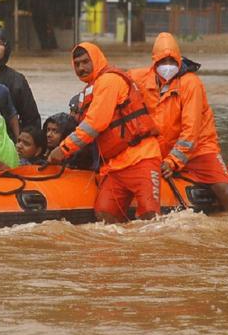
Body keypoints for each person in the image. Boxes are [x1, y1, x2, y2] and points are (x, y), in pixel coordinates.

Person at [47, 42, 161, 224]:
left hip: (141, 158)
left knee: (150, 215)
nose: (81, 68)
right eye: (76, 64)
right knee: (105, 215)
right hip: (115, 165)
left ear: (97, 59)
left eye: (85, 62)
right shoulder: (89, 91)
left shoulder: (109, 81)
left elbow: (94, 124)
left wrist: (63, 149)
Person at [130, 32, 228, 211]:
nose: (167, 66)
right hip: (160, 147)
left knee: (224, 190)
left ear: (179, 60)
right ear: (154, 61)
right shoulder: (142, 78)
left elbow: (191, 131)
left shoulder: (191, 84)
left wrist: (173, 161)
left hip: (199, 149)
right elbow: (116, 80)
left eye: (171, 61)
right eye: (162, 62)